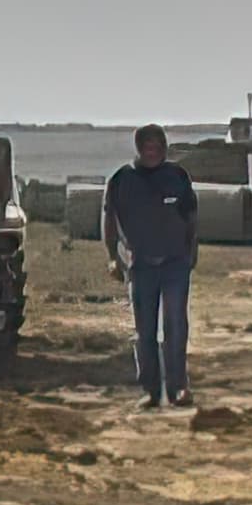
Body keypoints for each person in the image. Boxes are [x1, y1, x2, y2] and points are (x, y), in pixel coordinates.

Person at [103, 123, 202, 407]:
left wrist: (192, 250)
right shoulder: (122, 180)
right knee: (145, 331)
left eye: (157, 146)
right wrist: (113, 256)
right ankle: (150, 391)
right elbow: (110, 221)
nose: (152, 151)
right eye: (147, 147)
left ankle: (178, 388)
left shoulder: (177, 177)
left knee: (175, 326)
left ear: (164, 148)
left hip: (174, 264)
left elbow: (191, 217)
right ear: (139, 148)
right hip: (141, 266)